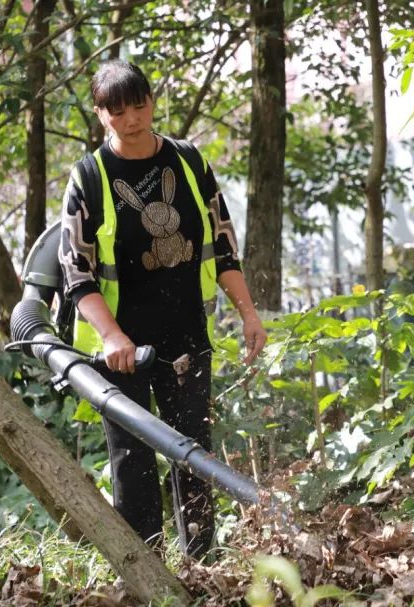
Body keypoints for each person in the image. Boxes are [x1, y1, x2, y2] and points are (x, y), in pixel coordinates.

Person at [57, 60, 267, 558]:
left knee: (194, 452)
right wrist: (111, 337)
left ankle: (202, 565)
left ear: (152, 101)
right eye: (117, 110)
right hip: (120, 348)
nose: (132, 118)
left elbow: (222, 245)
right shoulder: (89, 176)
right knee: (132, 458)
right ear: (100, 114)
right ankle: (145, 570)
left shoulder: (189, 163)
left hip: (185, 336)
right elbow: (76, 274)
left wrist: (249, 313)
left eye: (139, 104)